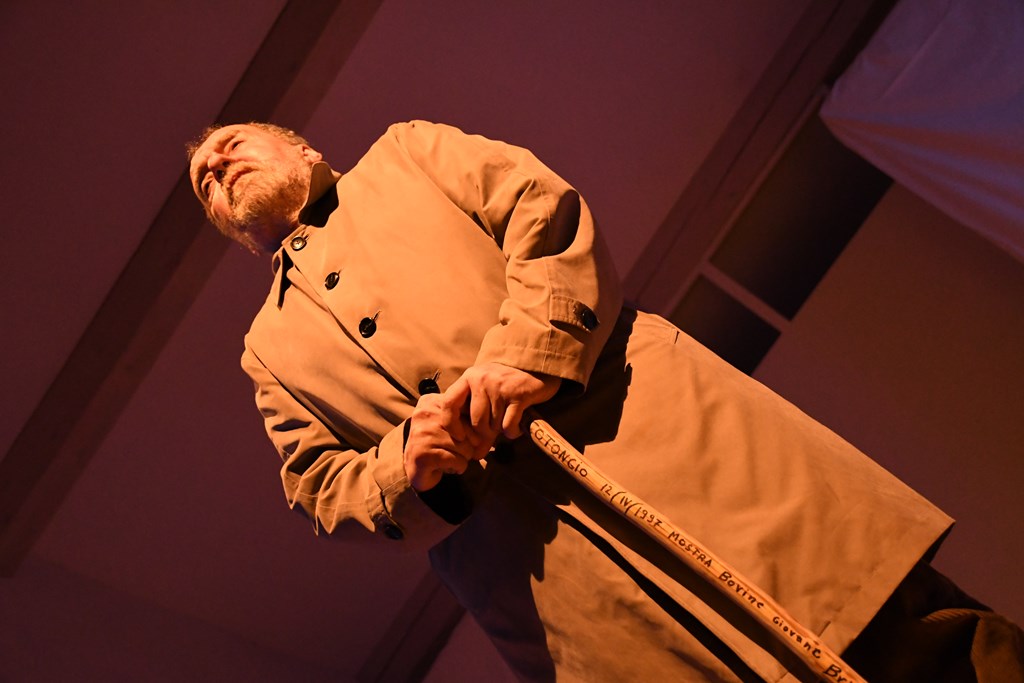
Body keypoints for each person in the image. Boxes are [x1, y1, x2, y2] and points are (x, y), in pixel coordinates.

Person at [187, 120, 1022, 682]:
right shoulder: (268, 351)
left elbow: (541, 212)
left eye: (229, 146)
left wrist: (522, 358)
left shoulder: (407, 153)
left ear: (299, 146)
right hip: (560, 588)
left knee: (922, 638)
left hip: (667, 436)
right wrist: (410, 465)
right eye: (204, 181)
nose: (217, 167)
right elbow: (320, 487)